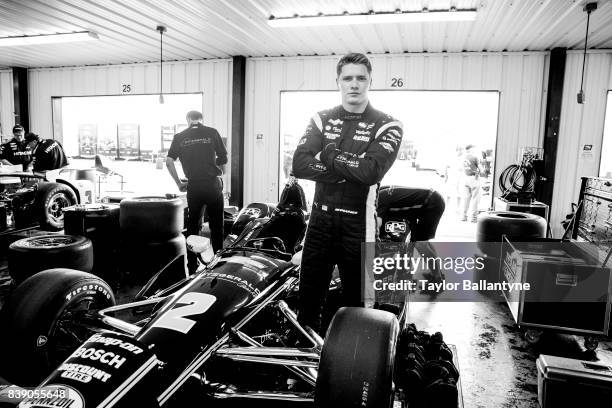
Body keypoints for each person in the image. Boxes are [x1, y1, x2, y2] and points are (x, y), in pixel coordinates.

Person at [292, 53, 403, 331]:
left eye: (361, 78)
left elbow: (369, 173)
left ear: (369, 82)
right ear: (338, 81)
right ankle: (304, 363)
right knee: (307, 299)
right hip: (318, 223)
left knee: (359, 303)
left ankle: (355, 365)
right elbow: (300, 164)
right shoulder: (321, 118)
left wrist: (328, 153)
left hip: (359, 224)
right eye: (348, 78)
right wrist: (347, 170)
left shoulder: (388, 124)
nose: (354, 84)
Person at [166, 110, 228, 273]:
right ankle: (218, 263)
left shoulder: (180, 137)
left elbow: (168, 162)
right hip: (212, 184)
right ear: (201, 119)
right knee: (217, 225)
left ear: (188, 120)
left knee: (193, 226)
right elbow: (223, 159)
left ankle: (192, 266)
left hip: (193, 186)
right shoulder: (212, 132)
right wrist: (221, 173)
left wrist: (179, 183)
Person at [460, 144, 481, 223]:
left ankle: (464, 216)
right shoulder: (475, 157)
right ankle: (474, 218)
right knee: (475, 199)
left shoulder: (463, 158)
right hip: (474, 179)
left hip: (465, 178)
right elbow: (481, 169)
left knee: (466, 198)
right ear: (471, 149)